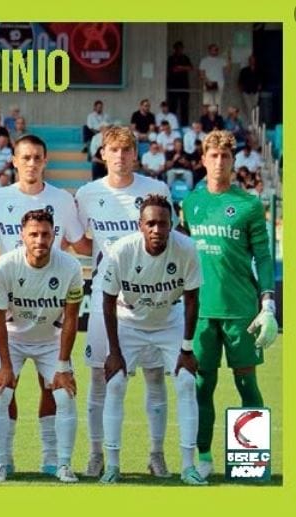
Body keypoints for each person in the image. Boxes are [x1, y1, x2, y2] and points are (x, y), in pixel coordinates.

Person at [0, 135, 87, 477]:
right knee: (4, 388)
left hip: (50, 319)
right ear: (14, 161)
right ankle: (2, 461)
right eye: (25, 157)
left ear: (45, 160)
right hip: (12, 316)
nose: (31, 163)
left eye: (37, 157)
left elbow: (79, 244)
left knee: (55, 389)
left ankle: (54, 461)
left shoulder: (63, 200)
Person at [74, 126, 171, 479]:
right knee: (100, 375)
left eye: (126, 149)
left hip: (152, 296)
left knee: (154, 375)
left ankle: (156, 454)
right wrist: (109, 260)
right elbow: (80, 242)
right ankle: (96, 454)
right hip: (106, 296)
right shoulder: (87, 193)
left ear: (135, 154)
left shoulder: (156, 190)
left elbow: (167, 237)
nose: (119, 156)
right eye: (113, 149)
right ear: (102, 154)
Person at [180, 130, 277, 479]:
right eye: (213, 155)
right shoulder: (190, 204)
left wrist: (268, 303)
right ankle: (203, 458)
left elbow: (263, 257)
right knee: (202, 386)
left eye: (225, 156)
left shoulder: (249, 205)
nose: (219, 162)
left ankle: (251, 463)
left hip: (241, 312)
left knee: (246, 384)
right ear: (203, 159)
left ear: (233, 161)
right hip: (201, 312)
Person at [100, 194, 206, 485]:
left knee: (186, 382)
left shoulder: (187, 248)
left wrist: (186, 349)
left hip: (169, 322)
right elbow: (107, 301)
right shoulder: (122, 251)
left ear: (172, 225)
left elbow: (192, 300)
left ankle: (188, 467)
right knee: (115, 383)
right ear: (140, 225)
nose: (157, 229)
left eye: (163, 223)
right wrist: (114, 352)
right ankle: (112, 466)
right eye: (151, 224)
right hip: (129, 322)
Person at [0, 209, 83, 483]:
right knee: (1, 393)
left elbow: (71, 318)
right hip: (12, 338)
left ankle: (60, 463)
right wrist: (5, 366)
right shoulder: (4, 265)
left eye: (45, 234)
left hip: (51, 339)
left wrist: (62, 366)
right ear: (22, 236)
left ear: (54, 236)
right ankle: (0, 462)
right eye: (33, 234)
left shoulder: (70, 267)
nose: (40, 240)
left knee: (64, 395)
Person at [166, 41, 193, 126]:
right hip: (173, 85)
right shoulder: (171, 58)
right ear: (174, 49)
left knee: (184, 106)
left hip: (184, 85)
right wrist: (183, 68)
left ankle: (184, 125)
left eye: (181, 48)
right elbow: (173, 69)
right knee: (172, 106)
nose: (179, 50)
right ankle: (171, 124)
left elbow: (190, 68)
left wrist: (180, 67)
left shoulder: (185, 58)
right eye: (178, 48)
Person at [198, 43, 230, 112]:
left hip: (219, 84)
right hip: (208, 83)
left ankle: (217, 117)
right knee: (207, 103)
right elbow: (201, 73)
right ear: (209, 50)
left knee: (218, 103)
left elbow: (228, 71)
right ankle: (207, 117)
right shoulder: (204, 60)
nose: (215, 51)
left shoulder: (221, 60)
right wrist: (207, 81)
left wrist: (228, 60)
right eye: (214, 50)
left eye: (217, 50)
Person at [238, 55, 263, 125]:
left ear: (255, 61)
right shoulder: (244, 70)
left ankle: (255, 122)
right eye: (251, 60)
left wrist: (259, 87)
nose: (252, 61)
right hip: (246, 92)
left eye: (253, 60)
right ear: (249, 61)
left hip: (255, 92)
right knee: (249, 108)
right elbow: (240, 81)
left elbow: (261, 80)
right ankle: (251, 123)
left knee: (254, 107)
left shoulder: (258, 70)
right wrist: (241, 89)